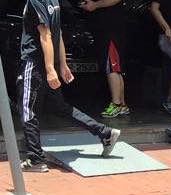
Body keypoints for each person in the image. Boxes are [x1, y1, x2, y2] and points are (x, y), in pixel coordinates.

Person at [18, 0, 120, 172]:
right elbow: (57, 33)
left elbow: (46, 34)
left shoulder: (37, 1)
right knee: (60, 107)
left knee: (28, 110)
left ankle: (35, 159)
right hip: (47, 63)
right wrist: (62, 64)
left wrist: (51, 69)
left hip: (34, 63)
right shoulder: (53, 2)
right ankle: (105, 132)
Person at [80, 0, 128, 118]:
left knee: (111, 67)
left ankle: (116, 104)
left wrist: (95, 5)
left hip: (111, 31)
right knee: (116, 69)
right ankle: (122, 105)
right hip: (109, 30)